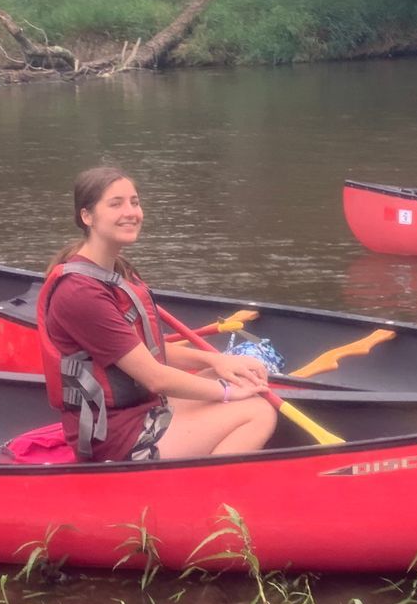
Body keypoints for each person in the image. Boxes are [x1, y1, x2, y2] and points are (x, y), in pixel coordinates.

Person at [37, 166, 278, 462]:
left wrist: (218, 361)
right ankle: (206, 497)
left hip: (138, 411)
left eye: (134, 202)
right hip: (112, 437)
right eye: (116, 204)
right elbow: (154, 377)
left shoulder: (115, 272)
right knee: (258, 412)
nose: (131, 212)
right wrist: (226, 393)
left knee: (235, 375)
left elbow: (148, 352)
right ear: (87, 216)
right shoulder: (79, 292)